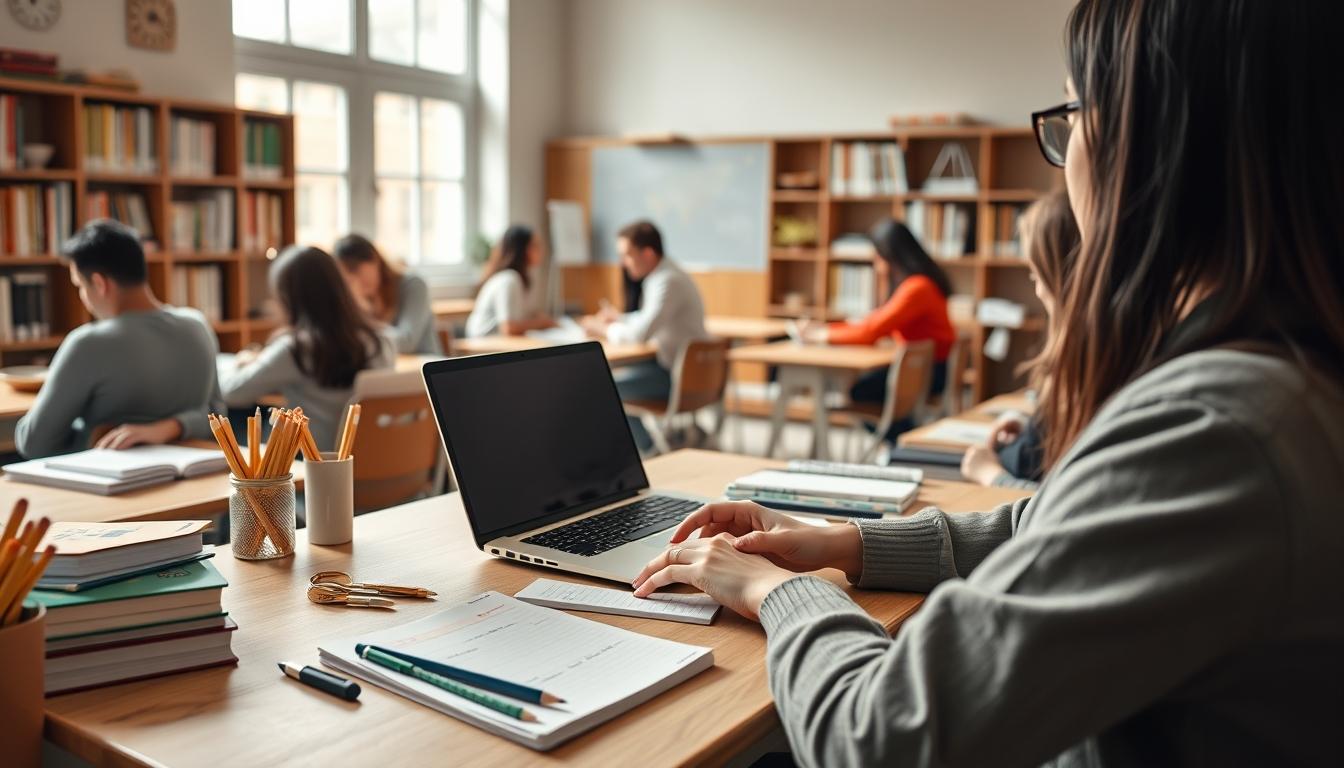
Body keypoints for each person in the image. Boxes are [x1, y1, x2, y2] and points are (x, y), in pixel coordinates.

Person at [632, 0, 1344, 764]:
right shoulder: (1282, 385)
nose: (1066, 157)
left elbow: (876, 739)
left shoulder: (1219, 434)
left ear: (1161, 142)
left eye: (1075, 114)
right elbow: (1042, 526)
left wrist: (774, 590)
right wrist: (838, 541)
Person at [15, 220, 222, 458]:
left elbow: (34, 443)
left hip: (107, 482)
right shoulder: (197, 326)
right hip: (186, 479)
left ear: (100, 284)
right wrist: (166, 428)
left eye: (80, 286)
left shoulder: (88, 343)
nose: (83, 297)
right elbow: (218, 417)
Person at [960, 190, 1080, 490]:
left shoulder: (1085, 360)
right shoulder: (1079, 352)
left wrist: (990, 475)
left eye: (1035, 275)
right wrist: (1032, 431)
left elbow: (1055, 503)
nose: (1037, 290)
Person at [221, 246, 395, 451]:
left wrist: (241, 363)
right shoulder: (380, 340)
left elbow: (231, 393)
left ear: (289, 298)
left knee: (235, 417)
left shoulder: (296, 350)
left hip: (314, 464)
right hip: (370, 462)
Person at [803, 219, 956, 434]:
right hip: (926, 369)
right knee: (865, 386)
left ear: (890, 255)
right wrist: (827, 329)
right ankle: (901, 441)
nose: (875, 262)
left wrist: (823, 335)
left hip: (926, 374)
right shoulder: (921, 283)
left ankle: (901, 441)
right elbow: (872, 322)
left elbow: (871, 331)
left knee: (861, 391)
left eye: (877, 255)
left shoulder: (917, 288)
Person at [582, 220, 707, 452]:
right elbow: (649, 318)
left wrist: (603, 329)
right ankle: (647, 447)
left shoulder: (666, 281)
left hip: (676, 378)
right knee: (610, 378)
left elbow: (640, 335)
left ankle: (648, 449)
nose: (623, 263)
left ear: (648, 254)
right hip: (684, 373)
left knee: (603, 385)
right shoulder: (668, 274)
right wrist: (620, 318)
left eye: (627, 255)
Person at [333, 234, 441, 355]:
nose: (357, 282)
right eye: (349, 280)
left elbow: (407, 341)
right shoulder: (356, 297)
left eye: (356, 270)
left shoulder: (413, 285)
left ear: (375, 260)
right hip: (391, 369)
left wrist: (366, 330)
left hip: (423, 366)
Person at [464, 225, 556, 337]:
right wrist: (541, 324)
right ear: (523, 249)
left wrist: (537, 318)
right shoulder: (509, 279)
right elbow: (509, 328)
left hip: (495, 341)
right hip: (485, 344)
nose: (542, 250)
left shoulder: (515, 278)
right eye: (535, 246)